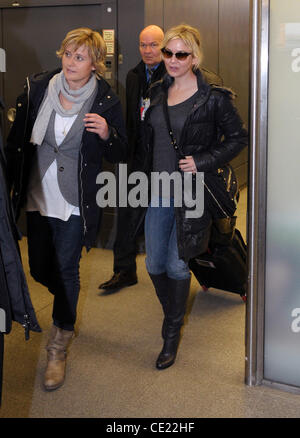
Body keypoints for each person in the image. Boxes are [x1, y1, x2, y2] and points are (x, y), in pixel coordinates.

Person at [5, 27, 127, 390]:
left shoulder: (106, 101)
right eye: (67, 54)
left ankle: (58, 344)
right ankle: (66, 308)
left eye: (79, 57)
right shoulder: (38, 89)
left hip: (75, 200)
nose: (70, 62)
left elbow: (121, 153)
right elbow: (16, 144)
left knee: (68, 270)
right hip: (37, 194)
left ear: (95, 64)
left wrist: (107, 134)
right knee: (41, 267)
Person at [133, 24, 248, 370]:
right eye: (168, 52)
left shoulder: (213, 97)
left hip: (192, 193)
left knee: (176, 263)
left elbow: (238, 138)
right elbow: (148, 140)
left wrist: (202, 161)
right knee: (153, 263)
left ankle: (170, 334)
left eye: (180, 54)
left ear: (194, 57)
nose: (172, 59)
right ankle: (174, 315)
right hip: (157, 190)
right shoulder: (155, 91)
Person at [98, 25, 166, 291]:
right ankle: (124, 271)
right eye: (143, 44)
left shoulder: (172, 75)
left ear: (164, 46)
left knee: (166, 218)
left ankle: (172, 274)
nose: (148, 51)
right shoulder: (134, 75)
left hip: (162, 161)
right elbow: (130, 117)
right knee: (126, 215)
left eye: (153, 45)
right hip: (136, 158)